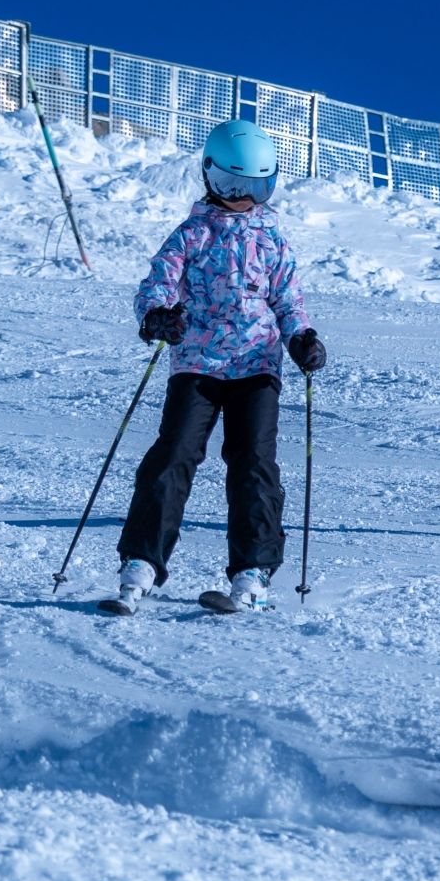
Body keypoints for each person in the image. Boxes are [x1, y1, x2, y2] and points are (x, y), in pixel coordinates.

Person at [100, 119, 327, 616]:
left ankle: (253, 568)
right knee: (172, 456)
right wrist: (157, 315)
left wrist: (302, 338)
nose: (244, 198)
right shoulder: (191, 234)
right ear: (209, 176)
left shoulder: (272, 240)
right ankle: (141, 561)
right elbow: (157, 284)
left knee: (254, 465)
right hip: (197, 361)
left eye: (257, 187)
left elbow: (289, 302)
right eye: (232, 185)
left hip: (256, 365)